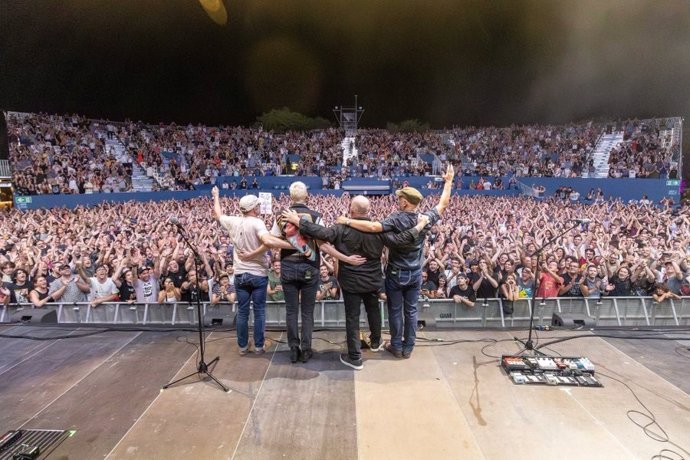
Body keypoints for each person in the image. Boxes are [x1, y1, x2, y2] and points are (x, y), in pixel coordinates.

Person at [283, 196, 429, 370]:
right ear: (369, 211)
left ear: (351, 210)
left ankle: (355, 357)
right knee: (373, 309)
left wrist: (299, 221)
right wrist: (419, 226)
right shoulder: (378, 229)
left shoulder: (341, 228)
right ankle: (375, 342)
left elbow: (321, 233)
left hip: (351, 281)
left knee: (352, 318)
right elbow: (399, 240)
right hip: (373, 280)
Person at [337, 164, 455, 359]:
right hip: (415, 272)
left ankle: (396, 345)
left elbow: (374, 227)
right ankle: (408, 348)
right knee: (411, 311)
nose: (398, 200)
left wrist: (348, 221)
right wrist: (448, 182)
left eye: (400, 198)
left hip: (396, 272)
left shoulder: (396, 219)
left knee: (395, 310)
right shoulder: (424, 218)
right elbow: (443, 203)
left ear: (406, 203)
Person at [212, 186, 292, 355]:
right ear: (253, 209)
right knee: (259, 311)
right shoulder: (257, 223)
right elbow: (268, 242)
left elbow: (218, 214)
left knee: (242, 311)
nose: (258, 208)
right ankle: (258, 346)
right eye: (257, 206)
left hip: (240, 274)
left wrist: (216, 196)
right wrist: (294, 246)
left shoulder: (233, 221)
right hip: (257, 274)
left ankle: (242, 347)